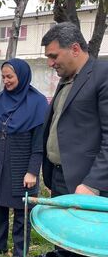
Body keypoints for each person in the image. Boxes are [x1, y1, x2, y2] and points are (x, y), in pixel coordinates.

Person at [0, 58, 48, 257]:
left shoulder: (37, 103)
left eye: (10, 77)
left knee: (21, 211)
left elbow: (39, 144)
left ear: (22, 76)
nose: (6, 81)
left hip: (21, 167)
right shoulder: (0, 100)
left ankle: (20, 251)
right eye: (3, 77)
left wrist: (32, 172)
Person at [41, 22, 108, 198]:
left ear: (75, 49)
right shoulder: (66, 79)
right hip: (59, 177)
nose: (50, 63)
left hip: (86, 185)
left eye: (53, 56)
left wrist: (93, 183)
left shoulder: (102, 75)